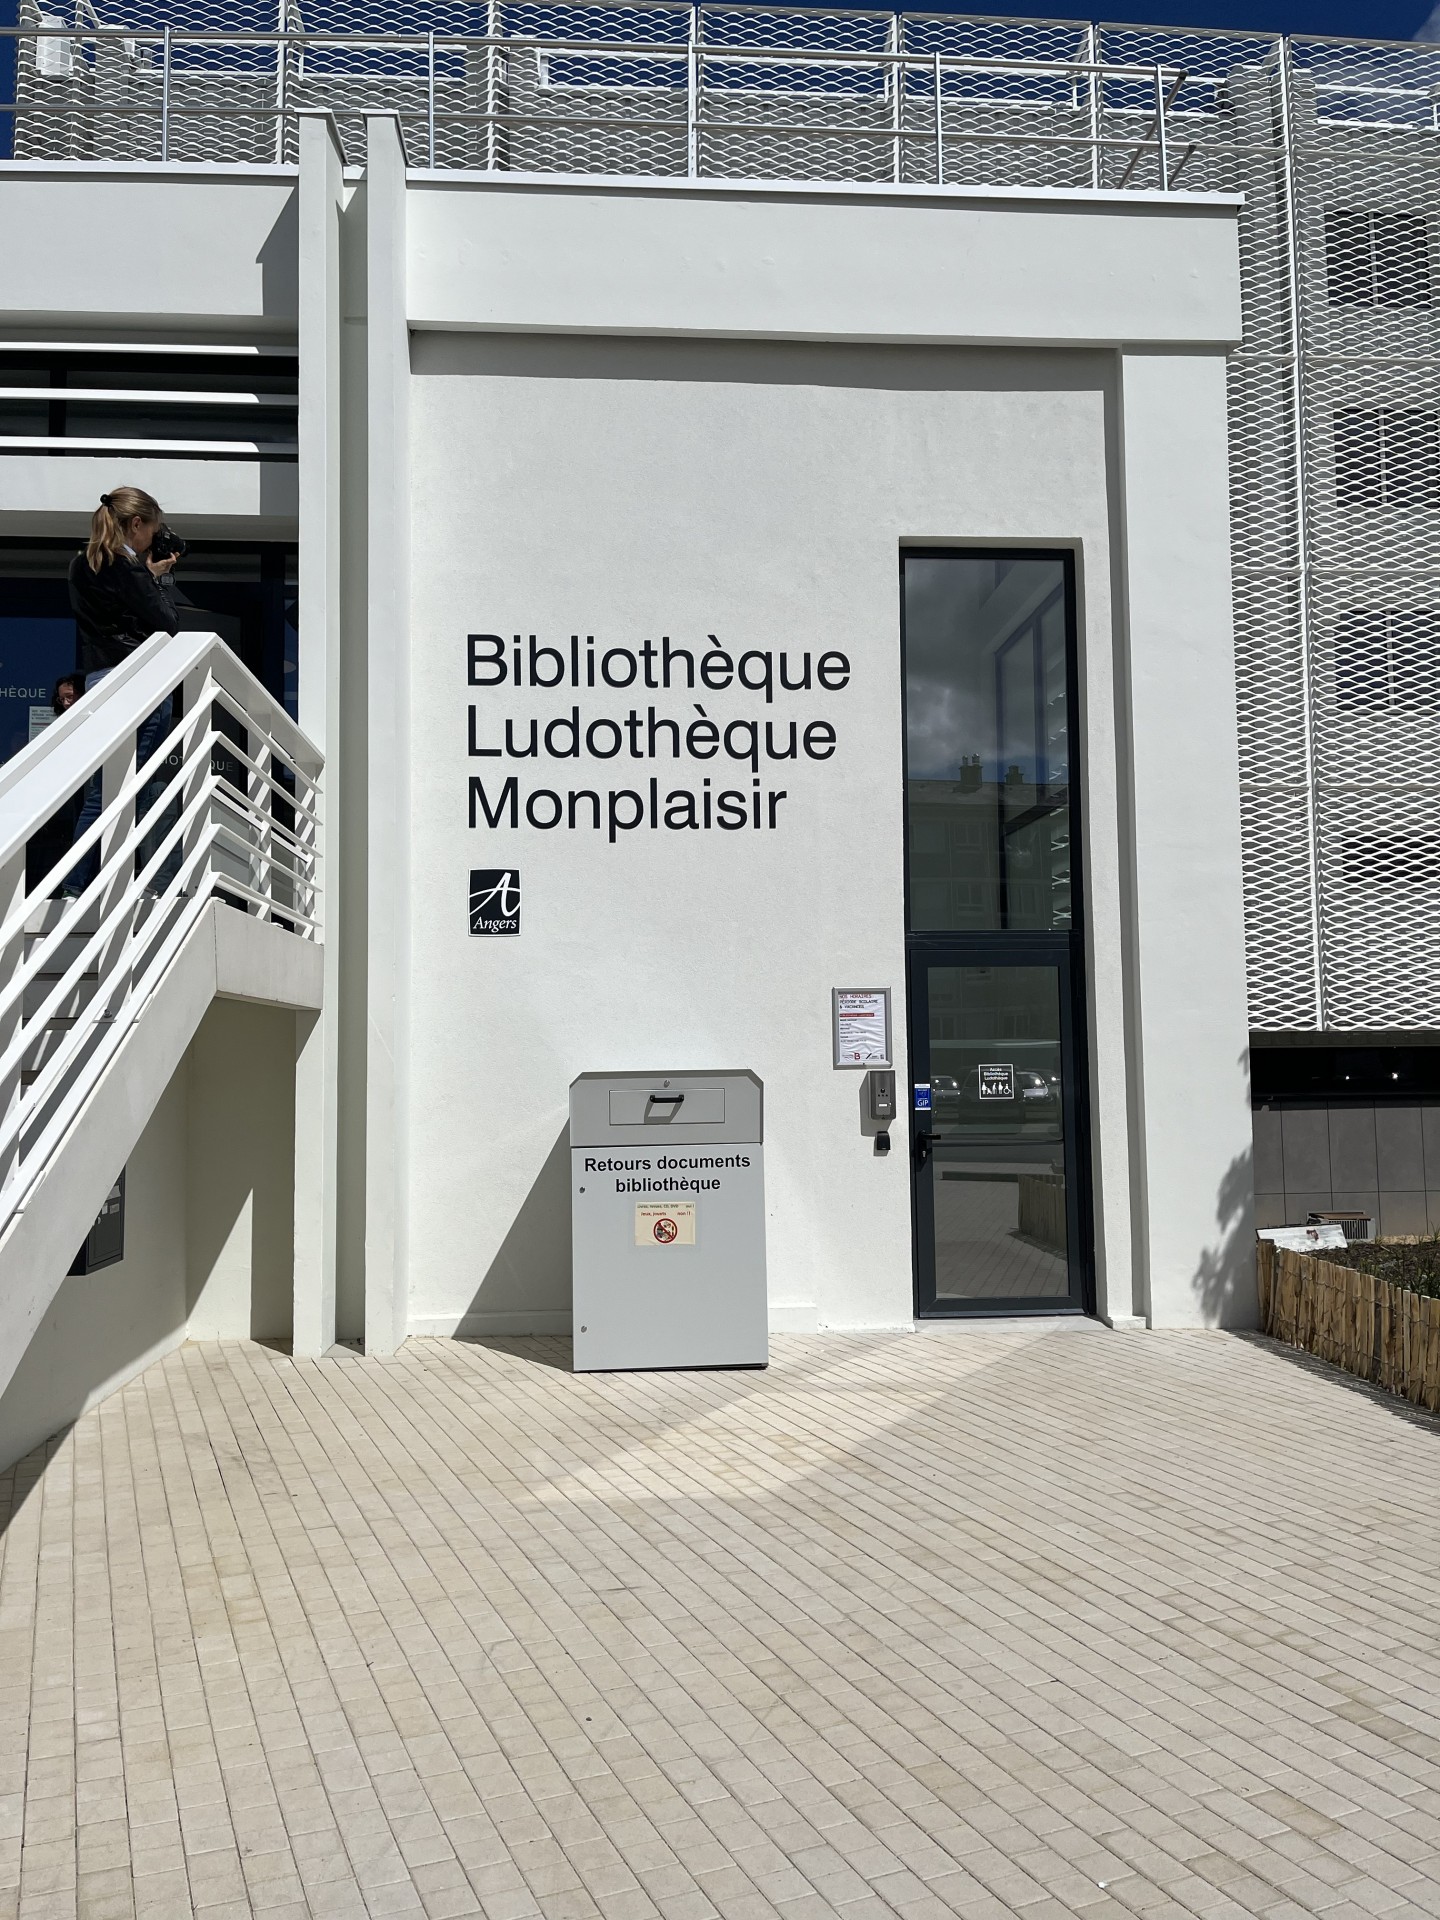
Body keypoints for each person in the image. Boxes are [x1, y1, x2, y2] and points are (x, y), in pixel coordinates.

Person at [64, 487, 183, 898]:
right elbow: (167, 621)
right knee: (142, 785)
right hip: (138, 680)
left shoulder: (82, 565)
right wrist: (159, 580)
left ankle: (76, 886)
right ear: (136, 524)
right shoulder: (127, 567)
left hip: (101, 680)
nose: (156, 539)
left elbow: (112, 614)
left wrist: (144, 578)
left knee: (102, 790)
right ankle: (149, 883)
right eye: (154, 529)